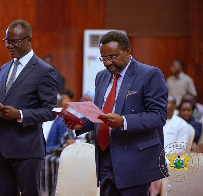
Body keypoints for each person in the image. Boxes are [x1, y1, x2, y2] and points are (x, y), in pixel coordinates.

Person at [64, 31, 168, 195]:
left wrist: (123, 121)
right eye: (103, 58)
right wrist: (80, 124)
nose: (107, 63)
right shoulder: (101, 77)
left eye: (112, 57)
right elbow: (100, 115)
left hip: (134, 159)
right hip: (105, 157)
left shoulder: (149, 74)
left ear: (128, 51)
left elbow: (158, 116)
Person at [0, 20, 58, 196]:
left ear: (29, 40)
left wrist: (20, 114)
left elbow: (50, 110)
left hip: (26, 150)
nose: (10, 46)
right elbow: (0, 105)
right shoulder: (5, 68)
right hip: (0, 148)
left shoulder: (44, 70)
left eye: (15, 41)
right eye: (7, 41)